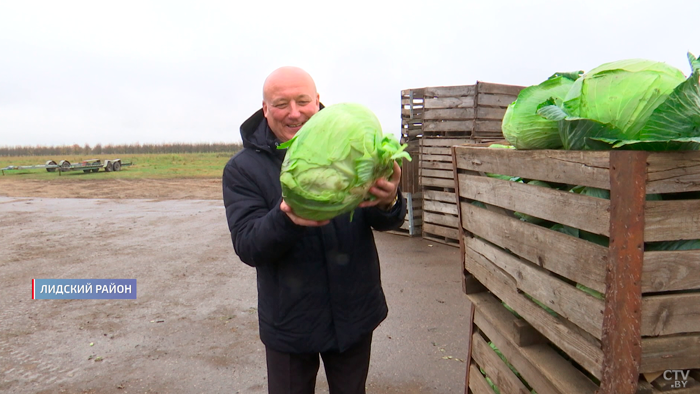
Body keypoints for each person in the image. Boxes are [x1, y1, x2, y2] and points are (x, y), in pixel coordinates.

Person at [222, 66, 407, 394]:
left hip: (354, 313)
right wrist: (286, 218)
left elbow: (383, 220)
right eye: (281, 104)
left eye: (303, 101)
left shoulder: (352, 144)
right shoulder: (243, 169)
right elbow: (248, 244)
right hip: (290, 323)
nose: (294, 113)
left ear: (318, 101)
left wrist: (389, 201)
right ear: (265, 109)